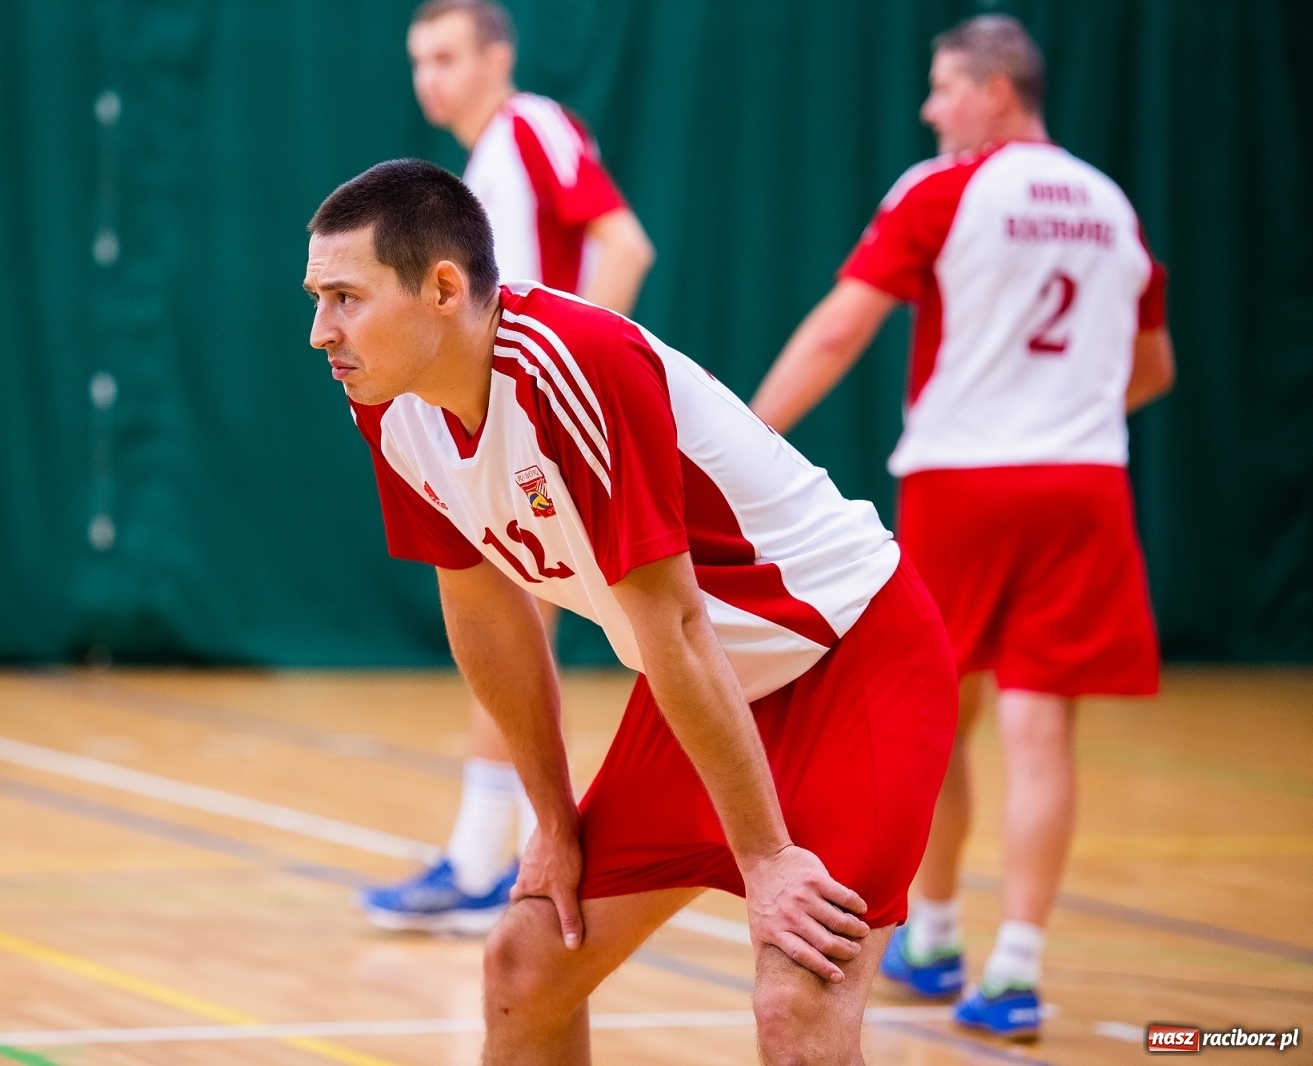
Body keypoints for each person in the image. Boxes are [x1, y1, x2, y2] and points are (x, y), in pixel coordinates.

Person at [306, 158, 956, 1065]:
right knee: (527, 965)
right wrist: (553, 819)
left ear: (443, 290)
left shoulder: (574, 366)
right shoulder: (389, 402)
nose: (319, 332)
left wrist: (767, 857)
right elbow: (486, 611)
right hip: (707, 685)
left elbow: (680, 627)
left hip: (853, 657)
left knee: (795, 1002)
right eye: (316, 298)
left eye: (344, 297)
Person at [749, 14, 1175, 1041]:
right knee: (1040, 730)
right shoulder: (1110, 207)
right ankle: (1015, 967)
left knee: (936, 712)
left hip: (963, 481)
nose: (930, 109)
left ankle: (931, 932)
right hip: (1081, 485)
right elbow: (1152, 371)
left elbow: (842, 325)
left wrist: (748, 438)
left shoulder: (944, 189)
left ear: (994, 90)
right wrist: (1057, 411)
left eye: (944, 88)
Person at [360, 0, 655, 933]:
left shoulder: (533, 127)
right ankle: (505, 854)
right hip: (511, 419)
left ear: (499, 55)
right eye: (418, 61)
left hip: (540, 422)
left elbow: (624, 241)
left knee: (516, 625)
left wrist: (571, 380)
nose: (429, 78)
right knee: (511, 630)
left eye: (446, 55)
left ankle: (494, 861)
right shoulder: (485, 159)